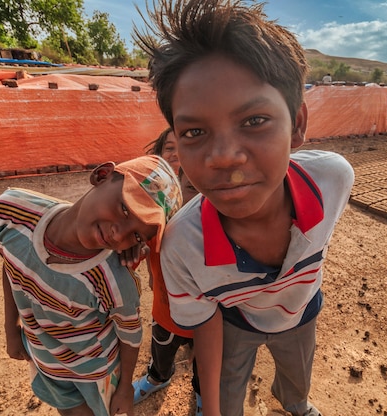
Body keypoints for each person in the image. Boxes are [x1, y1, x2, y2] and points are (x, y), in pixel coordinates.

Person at [134, 1, 355, 416]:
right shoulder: (182, 247)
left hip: (302, 309)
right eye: (195, 131)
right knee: (227, 390)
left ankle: (296, 405)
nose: (224, 157)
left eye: (254, 120)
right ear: (176, 143)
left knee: (297, 375)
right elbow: (205, 323)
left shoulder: (332, 182)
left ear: (299, 125)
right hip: (235, 323)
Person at [0, 155, 182, 416]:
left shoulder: (114, 278)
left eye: (136, 235)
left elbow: (130, 334)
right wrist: (11, 329)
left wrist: (125, 387)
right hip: (45, 359)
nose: (119, 234)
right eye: (125, 209)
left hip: (95, 374)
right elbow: (10, 261)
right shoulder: (13, 210)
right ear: (102, 175)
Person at [133, 129, 203, 415]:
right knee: (162, 348)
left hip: (206, 319)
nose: (176, 154)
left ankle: (203, 393)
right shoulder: (153, 215)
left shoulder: (215, 221)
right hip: (165, 310)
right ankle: (158, 377)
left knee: (206, 361)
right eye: (169, 148)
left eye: (184, 146)